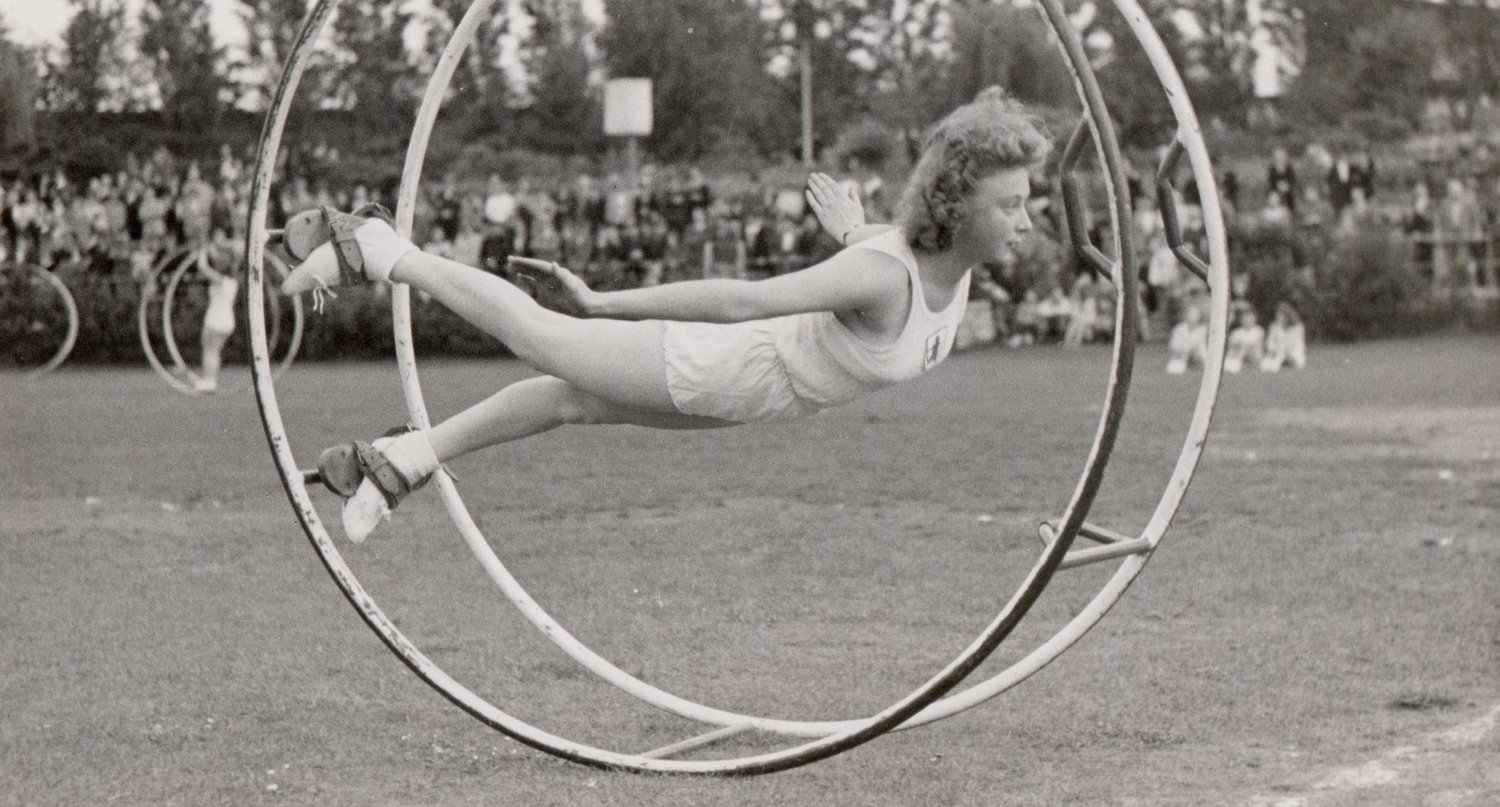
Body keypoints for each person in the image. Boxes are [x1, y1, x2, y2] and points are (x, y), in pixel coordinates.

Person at [279, 88, 1050, 543]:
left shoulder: (926, 263)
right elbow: (741, 298)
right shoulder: (887, 274)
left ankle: (405, 461)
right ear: (956, 205)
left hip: (759, 393)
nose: (1026, 219)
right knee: (544, 337)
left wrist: (850, 228)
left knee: (566, 399)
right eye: (1009, 204)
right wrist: (605, 301)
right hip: (729, 365)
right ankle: (382, 251)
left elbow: (873, 255)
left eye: (1026, 201)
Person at [193, 230, 241, 394]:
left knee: (209, 350)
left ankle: (209, 381)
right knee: (214, 351)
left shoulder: (221, 281)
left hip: (216, 319)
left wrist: (202, 251)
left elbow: (203, 268)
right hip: (226, 320)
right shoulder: (232, 281)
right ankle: (209, 379)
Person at [1259, 302, 1306, 372]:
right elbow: (1270, 342)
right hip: (1277, 351)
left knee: (1297, 361)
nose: (1279, 318)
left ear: (1288, 316)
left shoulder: (1298, 327)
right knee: (1265, 365)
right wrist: (1273, 350)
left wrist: (1287, 351)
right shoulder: (1273, 327)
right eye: (1278, 315)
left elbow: (1299, 343)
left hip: (1293, 351)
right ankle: (1280, 362)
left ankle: (1287, 362)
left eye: (1282, 315)